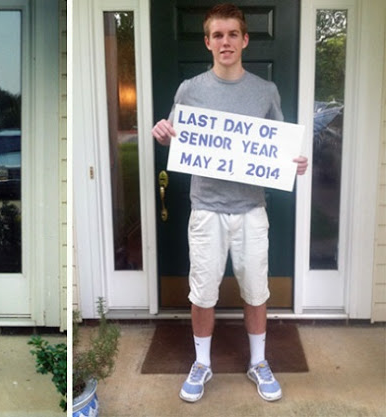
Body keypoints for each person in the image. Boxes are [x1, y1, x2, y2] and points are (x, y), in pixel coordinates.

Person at [151, 3, 308, 403]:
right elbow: (176, 135)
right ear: (207, 42)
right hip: (206, 208)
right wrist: (164, 132)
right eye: (217, 35)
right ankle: (202, 362)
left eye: (232, 34)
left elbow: (277, 148)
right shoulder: (190, 89)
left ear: (245, 39)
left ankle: (258, 361)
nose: (225, 42)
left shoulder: (264, 90)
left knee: (256, 291)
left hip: (252, 209)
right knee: (202, 292)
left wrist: (296, 162)